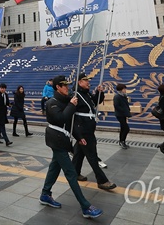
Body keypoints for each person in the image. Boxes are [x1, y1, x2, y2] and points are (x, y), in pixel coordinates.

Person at [39, 75, 103, 219]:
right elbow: (61, 119)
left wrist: (79, 137)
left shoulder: (67, 101)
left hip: (63, 138)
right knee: (71, 173)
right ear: (57, 87)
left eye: (68, 85)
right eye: (64, 86)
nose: (68, 88)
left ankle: (45, 194)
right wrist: (72, 105)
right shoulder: (52, 103)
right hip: (56, 139)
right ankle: (85, 206)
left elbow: (71, 123)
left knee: (54, 167)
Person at [71, 74, 116, 189]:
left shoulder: (86, 94)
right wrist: (79, 135)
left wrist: (99, 93)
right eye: (86, 81)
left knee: (79, 153)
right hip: (83, 130)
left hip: (88, 129)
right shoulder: (76, 95)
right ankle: (102, 180)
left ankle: (74, 173)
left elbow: (95, 103)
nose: (88, 83)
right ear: (79, 82)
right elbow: (73, 117)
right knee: (92, 155)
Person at [113, 83, 131, 149]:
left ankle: (122, 141)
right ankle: (122, 141)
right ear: (121, 90)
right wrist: (124, 110)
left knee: (123, 128)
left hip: (124, 114)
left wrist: (127, 110)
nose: (125, 90)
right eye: (124, 89)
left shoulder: (124, 96)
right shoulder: (117, 96)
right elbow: (116, 106)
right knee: (126, 128)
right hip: (120, 114)